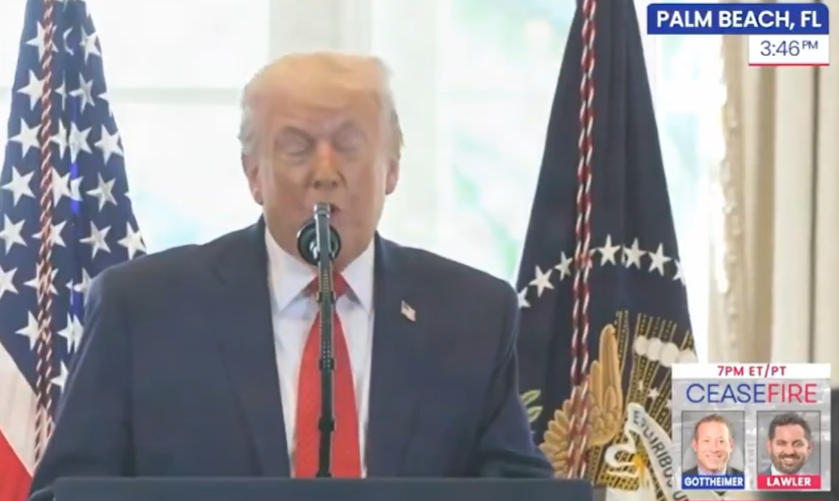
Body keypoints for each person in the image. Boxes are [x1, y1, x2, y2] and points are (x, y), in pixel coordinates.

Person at [27, 51, 553, 500]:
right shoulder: (143, 309)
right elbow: (68, 492)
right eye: (297, 148)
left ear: (391, 167)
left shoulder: (472, 314)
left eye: (349, 145)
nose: (325, 172)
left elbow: (516, 490)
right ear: (254, 174)